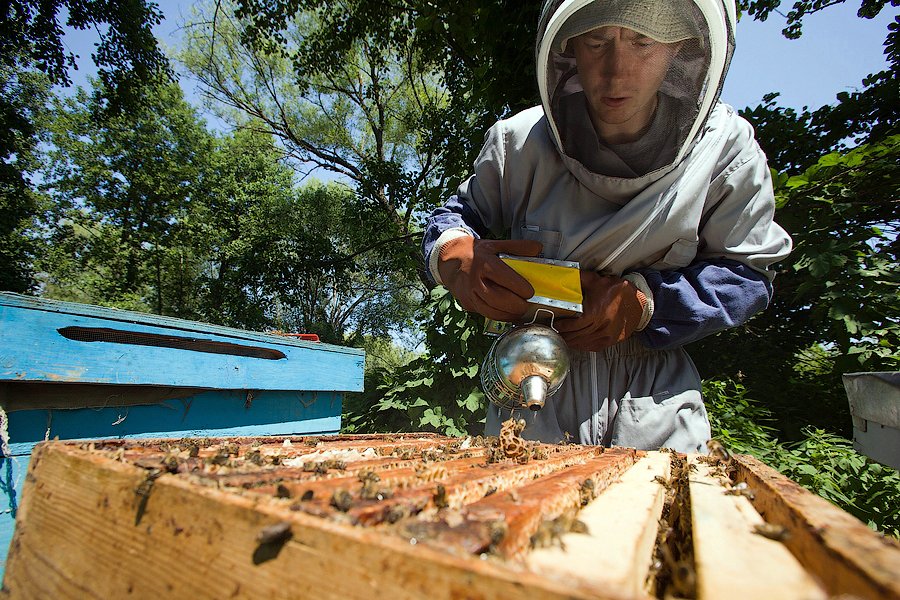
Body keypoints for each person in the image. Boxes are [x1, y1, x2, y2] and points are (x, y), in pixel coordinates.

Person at [421, 0, 792, 453]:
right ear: (569, 47)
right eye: (597, 42)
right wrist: (453, 254)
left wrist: (645, 304)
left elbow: (749, 274)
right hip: (531, 378)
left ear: (682, 50)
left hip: (653, 398)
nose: (617, 72)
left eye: (643, 42)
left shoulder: (726, 151)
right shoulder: (517, 143)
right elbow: (452, 220)